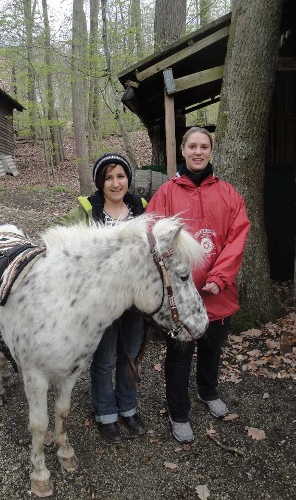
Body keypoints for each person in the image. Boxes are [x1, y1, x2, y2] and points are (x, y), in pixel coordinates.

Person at [145, 127, 250, 444]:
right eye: (192, 146)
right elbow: (150, 234)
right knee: (179, 355)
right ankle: (179, 412)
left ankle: (208, 390)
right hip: (180, 298)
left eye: (204, 146)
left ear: (211, 151)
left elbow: (238, 237)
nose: (198, 151)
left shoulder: (229, 194)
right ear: (183, 150)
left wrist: (220, 278)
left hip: (218, 293)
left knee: (211, 348)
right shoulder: (166, 193)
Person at [56, 153, 148, 444]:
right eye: (108, 177)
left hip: (135, 301)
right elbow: (56, 238)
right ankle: (106, 413)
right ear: (100, 182)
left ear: (128, 180)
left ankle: (128, 407)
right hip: (101, 303)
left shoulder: (142, 209)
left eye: (120, 176)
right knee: (104, 359)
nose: (115, 183)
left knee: (130, 356)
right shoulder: (86, 211)